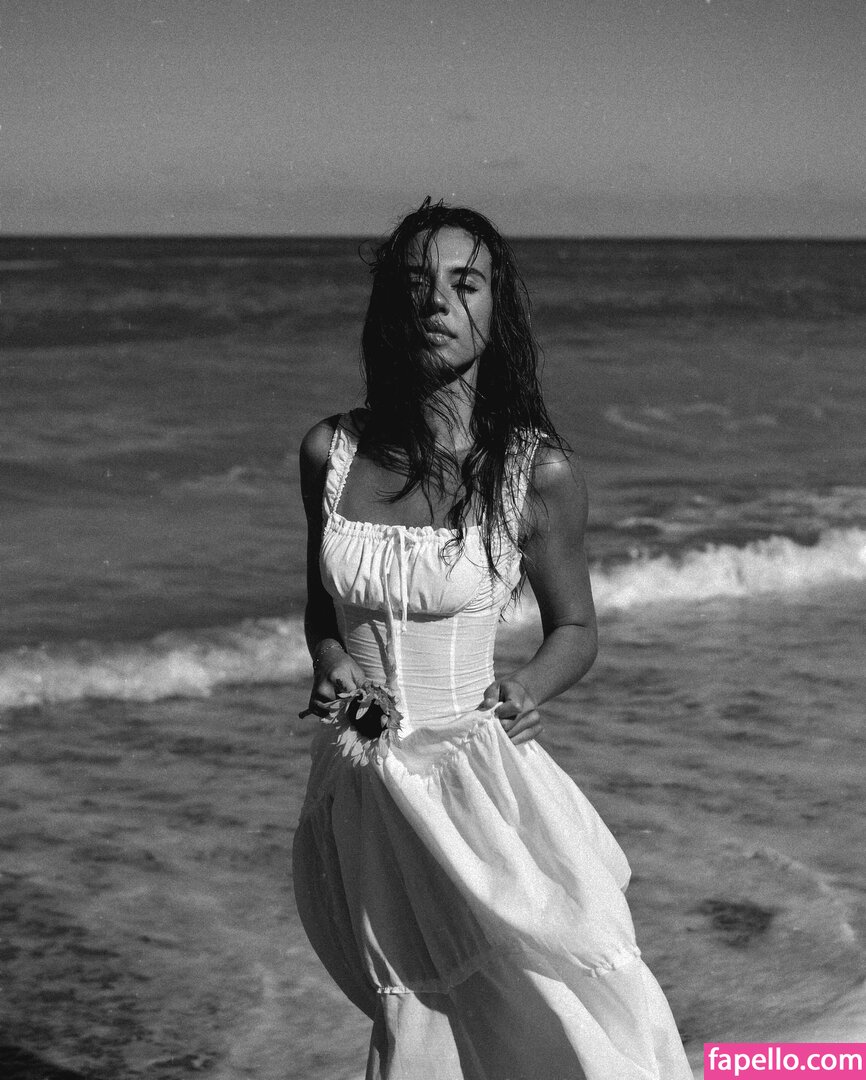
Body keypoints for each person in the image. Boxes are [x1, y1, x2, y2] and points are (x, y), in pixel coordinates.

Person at [293, 199, 692, 1080]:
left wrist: (529, 688)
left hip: (475, 783)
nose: (436, 300)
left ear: (493, 308)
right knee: (416, 1012)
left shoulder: (535, 473)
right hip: (362, 786)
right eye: (415, 283)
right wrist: (330, 662)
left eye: (463, 283)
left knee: (544, 1005)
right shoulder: (331, 453)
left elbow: (576, 628)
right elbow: (324, 612)